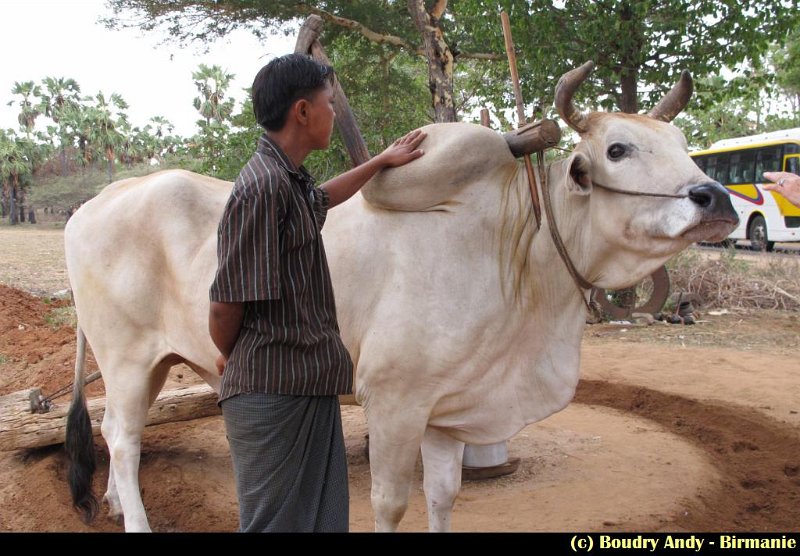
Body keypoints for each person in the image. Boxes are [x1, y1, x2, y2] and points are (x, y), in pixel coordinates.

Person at [207, 53, 426, 532]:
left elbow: (321, 198)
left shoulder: (288, 181)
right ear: (303, 111)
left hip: (304, 385)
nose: (335, 112)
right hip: (272, 396)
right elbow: (226, 304)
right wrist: (233, 354)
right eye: (330, 102)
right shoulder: (261, 188)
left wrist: (381, 161)